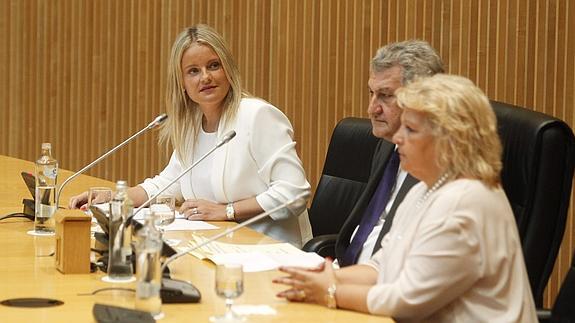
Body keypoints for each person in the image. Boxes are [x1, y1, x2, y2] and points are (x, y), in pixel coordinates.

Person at [274, 74, 538, 322]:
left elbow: (406, 300)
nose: (398, 138)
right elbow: (381, 266)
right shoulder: (427, 187)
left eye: (410, 130)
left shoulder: (466, 202)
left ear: (450, 140)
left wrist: (330, 291)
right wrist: (326, 278)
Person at [69, 24, 312, 247]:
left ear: (228, 69)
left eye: (213, 66)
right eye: (193, 71)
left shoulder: (257, 116)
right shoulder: (192, 124)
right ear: (182, 83)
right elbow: (166, 185)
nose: (205, 77)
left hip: (268, 251)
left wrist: (227, 211)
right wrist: (112, 198)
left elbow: (294, 193)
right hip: (218, 247)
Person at [336, 40, 444, 266]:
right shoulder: (387, 146)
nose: (372, 109)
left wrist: (333, 285)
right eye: (371, 93)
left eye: (386, 95)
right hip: (357, 272)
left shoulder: (438, 169)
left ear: (423, 100)